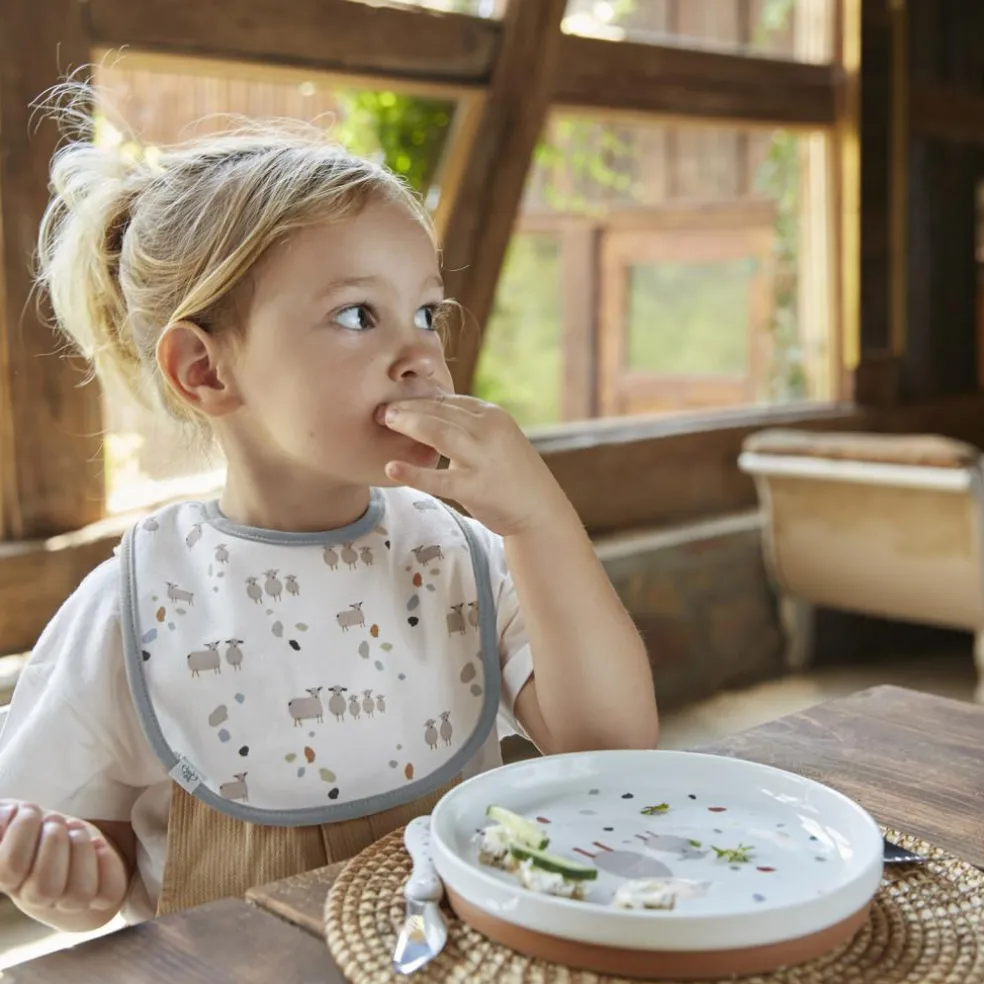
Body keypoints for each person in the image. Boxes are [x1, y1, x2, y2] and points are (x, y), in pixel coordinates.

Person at [0, 89, 658, 934]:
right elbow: (92, 853)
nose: (421, 353)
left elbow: (610, 750)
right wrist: (72, 882)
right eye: (357, 315)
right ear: (203, 370)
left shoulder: (462, 555)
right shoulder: (138, 601)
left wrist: (541, 522)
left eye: (427, 312)